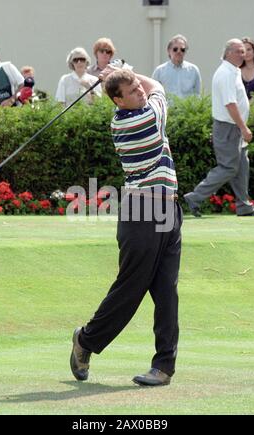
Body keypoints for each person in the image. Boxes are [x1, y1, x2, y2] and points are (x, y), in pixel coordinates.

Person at [70, 67, 183, 387]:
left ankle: (163, 366)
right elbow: (157, 85)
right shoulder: (140, 120)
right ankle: (85, 340)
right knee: (130, 290)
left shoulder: (135, 108)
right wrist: (126, 70)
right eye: (131, 91)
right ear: (118, 101)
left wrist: (122, 74)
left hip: (168, 209)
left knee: (166, 292)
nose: (140, 91)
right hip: (142, 214)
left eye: (137, 87)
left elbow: (147, 88)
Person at [184, 39, 254, 217]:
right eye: (238, 51)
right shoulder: (225, 73)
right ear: (228, 53)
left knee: (242, 165)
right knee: (228, 167)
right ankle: (195, 197)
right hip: (229, 128)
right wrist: (244, 128)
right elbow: (230, 104)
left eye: (243, 51)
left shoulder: (233, 71)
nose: (242, 55)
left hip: (233, 127)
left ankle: (243, 206)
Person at [152, 34, 202, 100]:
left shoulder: (194, 70)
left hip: (187, 109)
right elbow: (153, 93)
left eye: (182, 49)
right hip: (167, 109)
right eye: (175, 49)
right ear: (169, 51)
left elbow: (197, 95)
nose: (179, 52)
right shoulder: (159, 71)